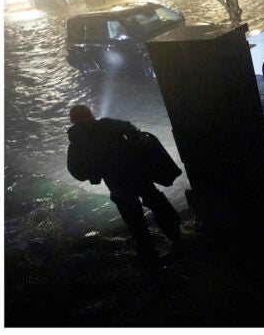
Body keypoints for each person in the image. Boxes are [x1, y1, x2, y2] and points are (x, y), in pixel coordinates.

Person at [67, 104, 181, 268]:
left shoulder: (76, 143)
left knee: (135, 222)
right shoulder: (107, 124)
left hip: (117, 184)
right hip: (137, 173)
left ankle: (150, 259)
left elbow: (76, 171)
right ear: (90, 114)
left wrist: (94, 173)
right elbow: (131, 130)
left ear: (73, 121)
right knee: (157, 202)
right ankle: (176, 237)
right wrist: (136, 145)